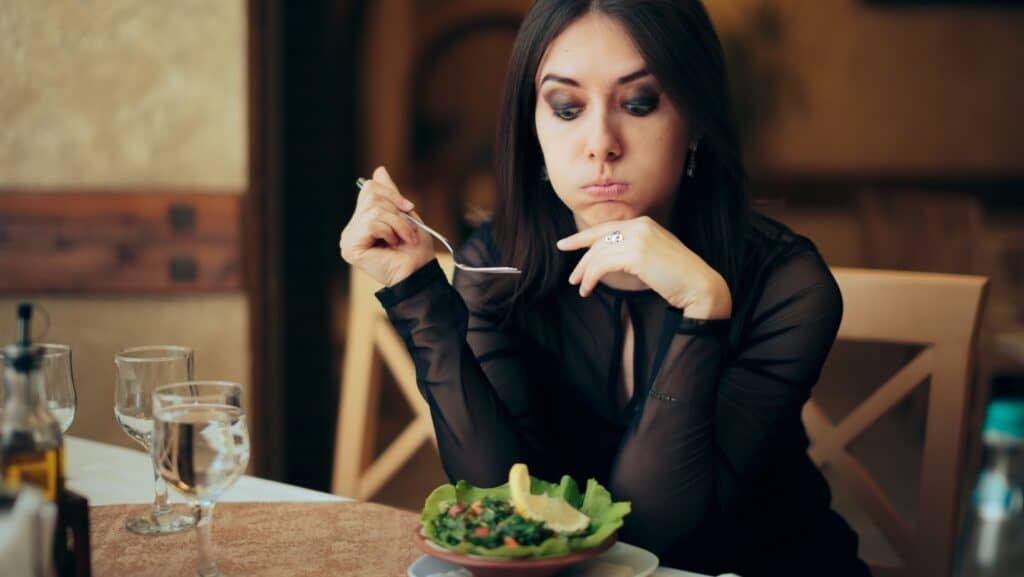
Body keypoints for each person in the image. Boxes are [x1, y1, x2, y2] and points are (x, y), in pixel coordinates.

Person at [340, 1, 870, 575]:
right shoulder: (496, 268)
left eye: (639, 103)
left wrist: (703, 310)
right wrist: (418, 294)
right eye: (567, 108)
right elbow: (502, 505)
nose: (601, 143)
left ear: (695, 119)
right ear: (533, 130)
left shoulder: (786, 286)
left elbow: (654, 530)